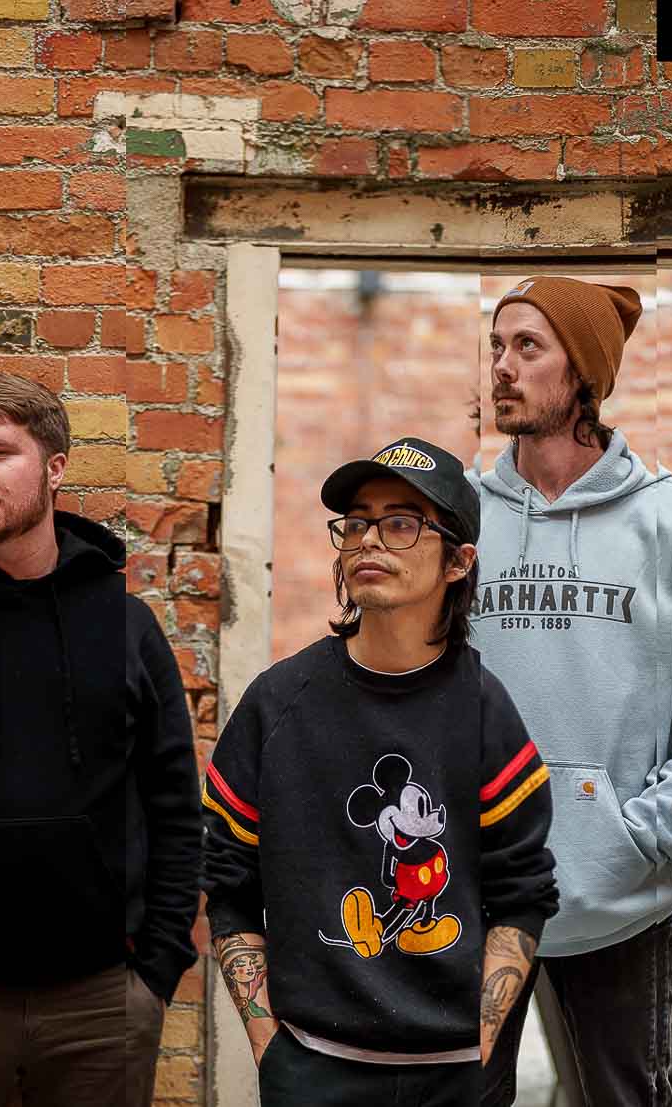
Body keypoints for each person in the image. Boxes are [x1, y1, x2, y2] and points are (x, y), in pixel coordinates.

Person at [0, 372, 199, 1106]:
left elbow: (175, 804)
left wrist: (155, 972)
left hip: (100, 1004)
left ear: (55, 468)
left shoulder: (125, 624)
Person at [203, 436, 557, 1107]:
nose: (370, 540)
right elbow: (227, 879)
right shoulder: (278, 705)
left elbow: (524, 891)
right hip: (312, 1069)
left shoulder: (487, 712)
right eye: (357, 522)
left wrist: (481, 1049)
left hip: (454, 1076)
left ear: (458, 562)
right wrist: (267, 1045)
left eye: (401, 522)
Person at [470, 276, 672, 1107]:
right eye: (496, 347)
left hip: (622, 900)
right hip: (477, 894)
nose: (503, 369)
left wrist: (646, 835)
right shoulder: (462, 518)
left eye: (528, 347)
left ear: (584, 371)